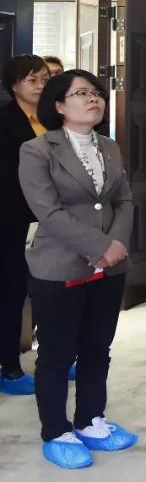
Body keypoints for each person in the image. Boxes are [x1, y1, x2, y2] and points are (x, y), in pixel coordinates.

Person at [18, 70, 137, 469]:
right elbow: (48, 212)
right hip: (59, 264)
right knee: (56, 353)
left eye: (97, 92)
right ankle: (56, 430)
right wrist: (101, 246)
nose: (94, 99)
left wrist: (115, 246)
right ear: (58, 105)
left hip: (111, 266)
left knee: (97, 347)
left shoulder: (110, 147)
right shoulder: (37, 150)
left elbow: (124, 201)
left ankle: (90, 419)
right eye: (81, 93)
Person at [0, 55, 49, 396]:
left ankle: (55, 356)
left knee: (52, 290)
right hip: (14, 219)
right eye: (32, 80)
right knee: (13, 290)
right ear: (14, 85)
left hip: (53, 220)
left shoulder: (55, 118)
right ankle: (10, 368)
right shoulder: (5, 121)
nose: (40, 86)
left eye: (44, 79)